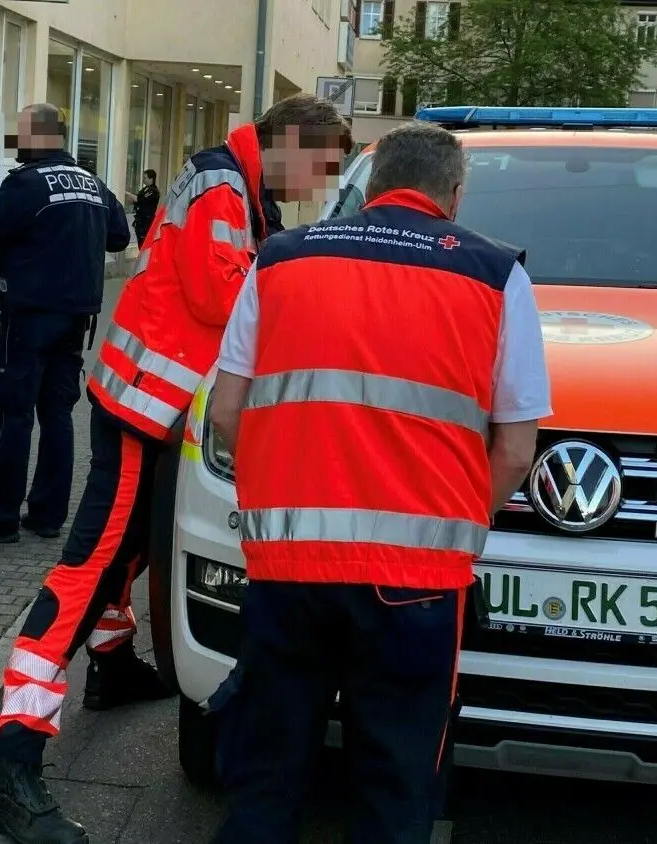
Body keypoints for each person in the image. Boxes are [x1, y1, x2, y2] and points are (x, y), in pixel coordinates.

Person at [0, 94, 352, 844]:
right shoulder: (222, 187)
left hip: (154, 404)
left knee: (135, 549)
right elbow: (224, 296)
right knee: (88, 570)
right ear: (287, 142)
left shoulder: (236, 182)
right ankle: (12, 765)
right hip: (146, 408)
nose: (318, 184)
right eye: (322, 165)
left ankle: (113, 666)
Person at [204, 121, 551, 843]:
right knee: (394, 789)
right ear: (453, 195)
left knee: (265, 775)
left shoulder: (280, 258)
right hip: (417, 582)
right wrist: (458, 524)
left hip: (289, 568)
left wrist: (279, 499)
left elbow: (227, 410)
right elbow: (516, 451)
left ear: (374, 181)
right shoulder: (495, 275)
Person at [0, 104, 130, 546]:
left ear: (39, 136)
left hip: (29, 315)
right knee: (58, 414)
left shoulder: (24, 184)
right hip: (77, 319)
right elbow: (119, 236)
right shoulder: (92, 183)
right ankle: (47, 515)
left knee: (14, 415)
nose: (17, 141)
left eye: (21, 132)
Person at [129, 168, 159, 245]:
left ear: (151, 178)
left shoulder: (153, 191)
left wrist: (125, 193)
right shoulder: (145, 189)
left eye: (145, 177)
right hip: (140, 221)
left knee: (144, 243)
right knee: (140, 242)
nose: (143, 179)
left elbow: (138, 199)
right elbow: (137, 198)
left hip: (146, 222)